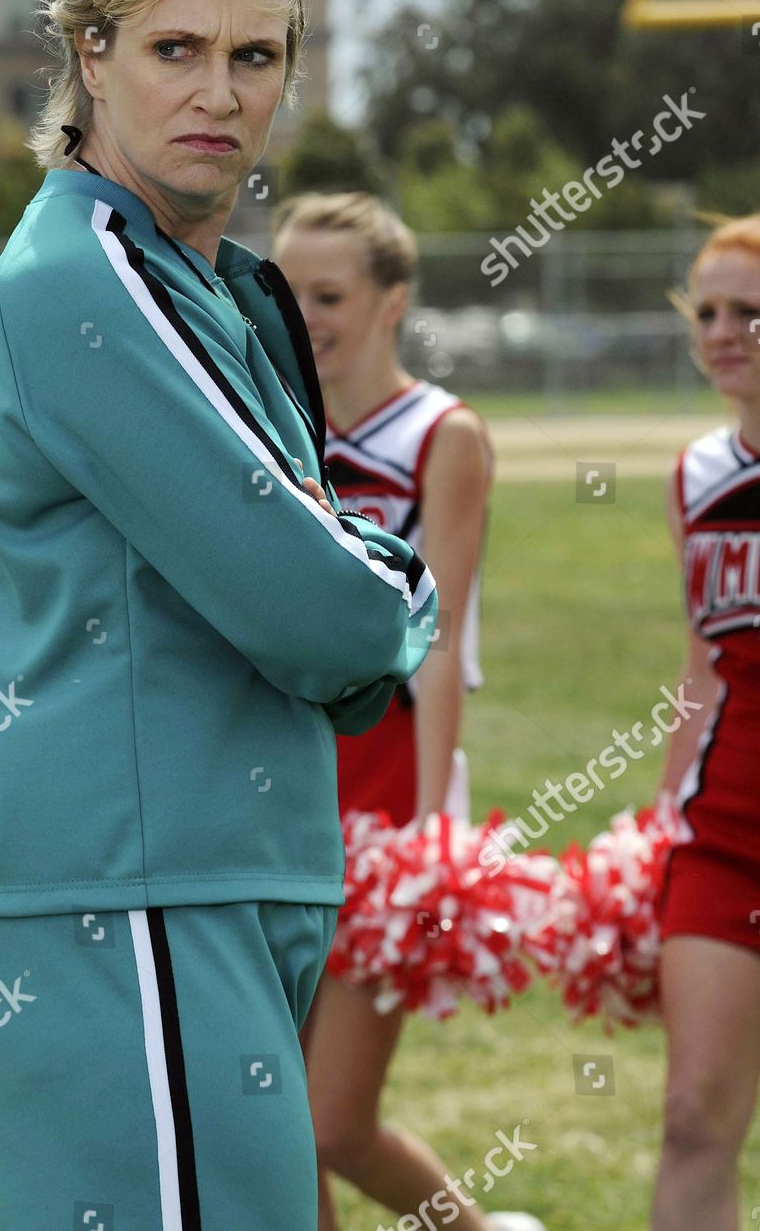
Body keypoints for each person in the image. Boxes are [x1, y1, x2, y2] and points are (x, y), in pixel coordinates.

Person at [0, 0, 439, 1231]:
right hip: (122, 900)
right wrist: (399, 589)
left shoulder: (194, 274)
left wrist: (345, 577)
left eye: (257, 57)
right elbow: (326, 613)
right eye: (176, 47)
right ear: (91, 53)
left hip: (193, 878)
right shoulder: (88, 273)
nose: (220, 93)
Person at [273, 193, 544, 1231]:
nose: (302, 314)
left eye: (328, 294)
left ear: (392, 302)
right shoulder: (268, 423)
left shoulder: (443, 436)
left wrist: (434, 839)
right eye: (286, 290)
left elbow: (436, 650)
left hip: (392, 798)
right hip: (279, 786)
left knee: (331, 1121)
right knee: (266, 1114)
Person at [651, 214, 760, 1231]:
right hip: (724, 837)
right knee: (692, 1119)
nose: (724, 332)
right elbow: (703, 665)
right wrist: (661, 822)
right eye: (710, 311)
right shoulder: (697, 474)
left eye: (751, 313)